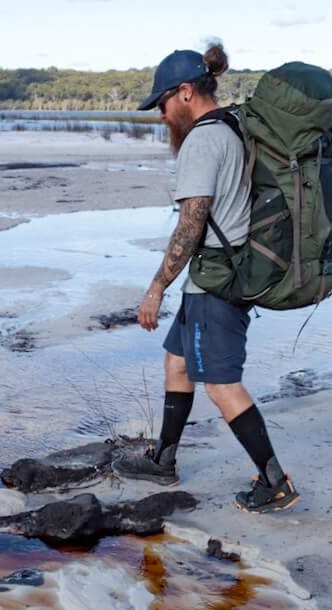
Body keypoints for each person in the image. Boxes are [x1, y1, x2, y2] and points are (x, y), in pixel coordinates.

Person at [115, 43, 299, 513]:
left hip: (216, 282)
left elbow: (191, 224)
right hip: (220, 272)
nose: (160, 116)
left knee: (221, 385)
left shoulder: (202, 139)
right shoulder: (233, 124)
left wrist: (156, 287)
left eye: (161, 104)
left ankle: (275, 482)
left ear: (185, 93)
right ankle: (164, 459)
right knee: (177, 362)